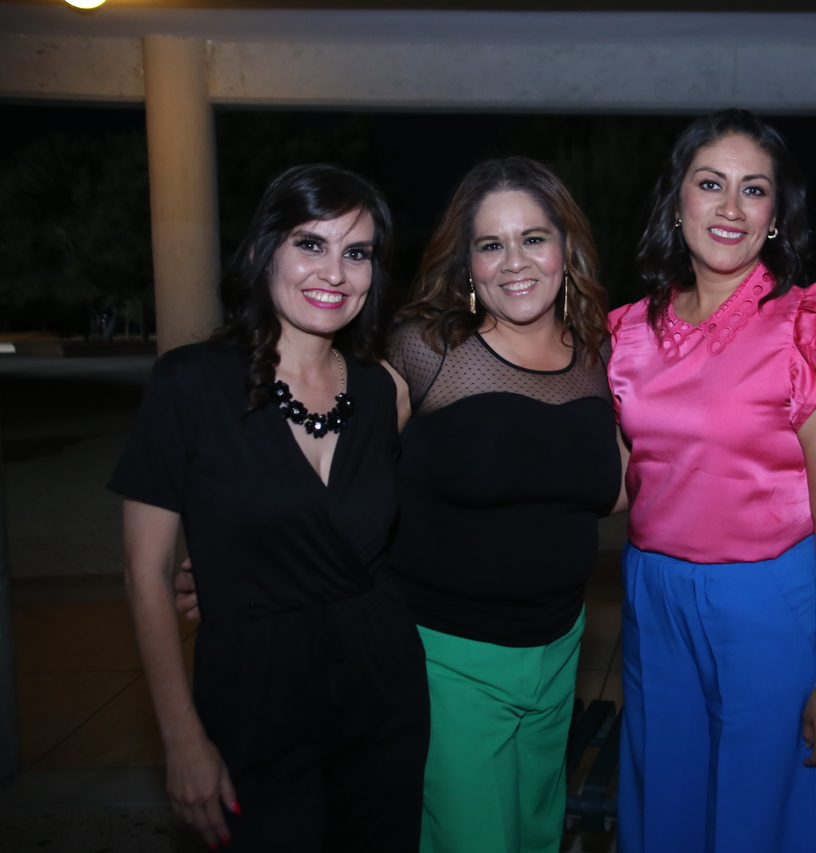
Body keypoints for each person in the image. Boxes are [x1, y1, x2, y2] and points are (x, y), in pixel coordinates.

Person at [109, 164, 429, 851]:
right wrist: (180, 737)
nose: (334, 272)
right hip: (251, 695)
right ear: (263, 250)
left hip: (383, 687)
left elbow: (372, 534)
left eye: (357, 252)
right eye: (310, 244)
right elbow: (144, 575)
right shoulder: (189, 383)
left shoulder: (381, 390)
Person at [607, 109, 816, 853]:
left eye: (754, 190)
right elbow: (619, 480)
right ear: (676, 200)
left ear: (775, 216)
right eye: (710, 184)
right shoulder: (628, 331)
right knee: (663, 802)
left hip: (766, 600)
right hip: (653, 594)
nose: (730, 207)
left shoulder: (808, 330)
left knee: (757, 816)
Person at [384, 157, 623, 853]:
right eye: (491, 244)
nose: (514, 262)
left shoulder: (597, 354)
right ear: (467, 264)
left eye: (533, 238)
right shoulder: (427, 351)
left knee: (537, 834)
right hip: (450, 656)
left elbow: (618, 486)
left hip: (560, 646)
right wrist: (261, 558)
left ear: (566, 248)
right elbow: (344, 473)